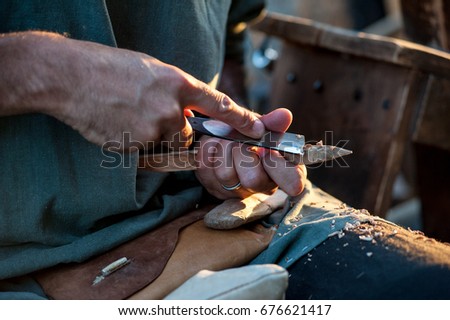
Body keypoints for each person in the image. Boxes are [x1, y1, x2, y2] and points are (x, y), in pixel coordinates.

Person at [1, 0, 450, 300]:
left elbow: (229, 31)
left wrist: (222, 139)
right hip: (24, 263)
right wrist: (52, 72)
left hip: (205, 218)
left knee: (431, 289)